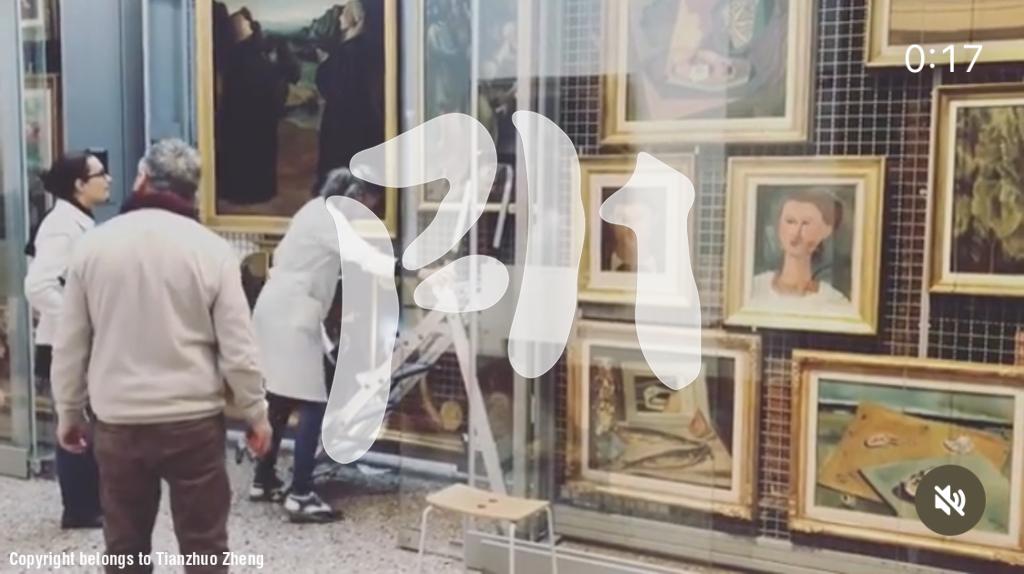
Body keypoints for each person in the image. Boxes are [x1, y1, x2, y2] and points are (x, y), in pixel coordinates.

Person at [50, 139, 272, 573]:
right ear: (193, 190)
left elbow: (71, 342)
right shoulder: (212, 250)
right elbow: (238, 348)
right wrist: (256, 413)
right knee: (205, 547)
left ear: (143, 179)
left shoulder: (93, 247)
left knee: (125, 546)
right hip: (193, 423)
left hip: (118, 421)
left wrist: (68, 412)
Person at [250, 167, 392, 523]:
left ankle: (263, 479)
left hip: (274, 307)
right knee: (314, 403)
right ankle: (301, 494)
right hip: (293, 315)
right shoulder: (333, 220)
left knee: (280, 398)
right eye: (368, 205)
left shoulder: (313, 210)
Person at [24, 151, 110, 529]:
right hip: (64, 344)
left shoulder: (77, 220)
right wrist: (76, 323)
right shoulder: (62, 226)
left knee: (85, 421)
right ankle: (79, 509)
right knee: (75, 423)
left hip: (75, 342)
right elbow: (38, 285)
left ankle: (90, 503)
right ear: (79, 184)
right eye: (100, 174)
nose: (108, 179)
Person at [218, 8, 296, 205]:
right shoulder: (237, 55)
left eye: (244, 22)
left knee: (256, 154)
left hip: (258, 117)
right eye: (238, 22)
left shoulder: (255, 53)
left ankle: (256, 191)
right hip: (241, 117)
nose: (242, 25)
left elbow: (275, 80)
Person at [315, 0, 385, 190]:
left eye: (343, 13)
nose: (339, 17)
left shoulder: (346, 52)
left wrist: (324, 63)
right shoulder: (366, 49)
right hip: (363, 117)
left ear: (353, 18)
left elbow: (326, 83)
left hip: (342, 120)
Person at [749, 188, 851, 308]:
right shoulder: (754, 287)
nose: (795, 233)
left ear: (827, 230)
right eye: (790, 221)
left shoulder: (833, 301)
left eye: (806, 223)